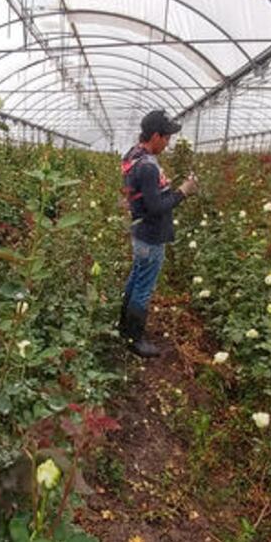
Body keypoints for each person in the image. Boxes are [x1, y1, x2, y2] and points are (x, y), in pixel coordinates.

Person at [117, 110, 198, 358]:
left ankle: (124, 329)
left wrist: (159, 189)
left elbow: (143, 196)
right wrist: (183, 191)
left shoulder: (134, 155)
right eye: (166, 137)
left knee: (136, 277)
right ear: (155, 136)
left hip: (140, 231)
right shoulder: (148, 167)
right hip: (151, 235)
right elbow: (156, 208)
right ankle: (135, 340)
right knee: (143, 286)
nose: (168, 143)